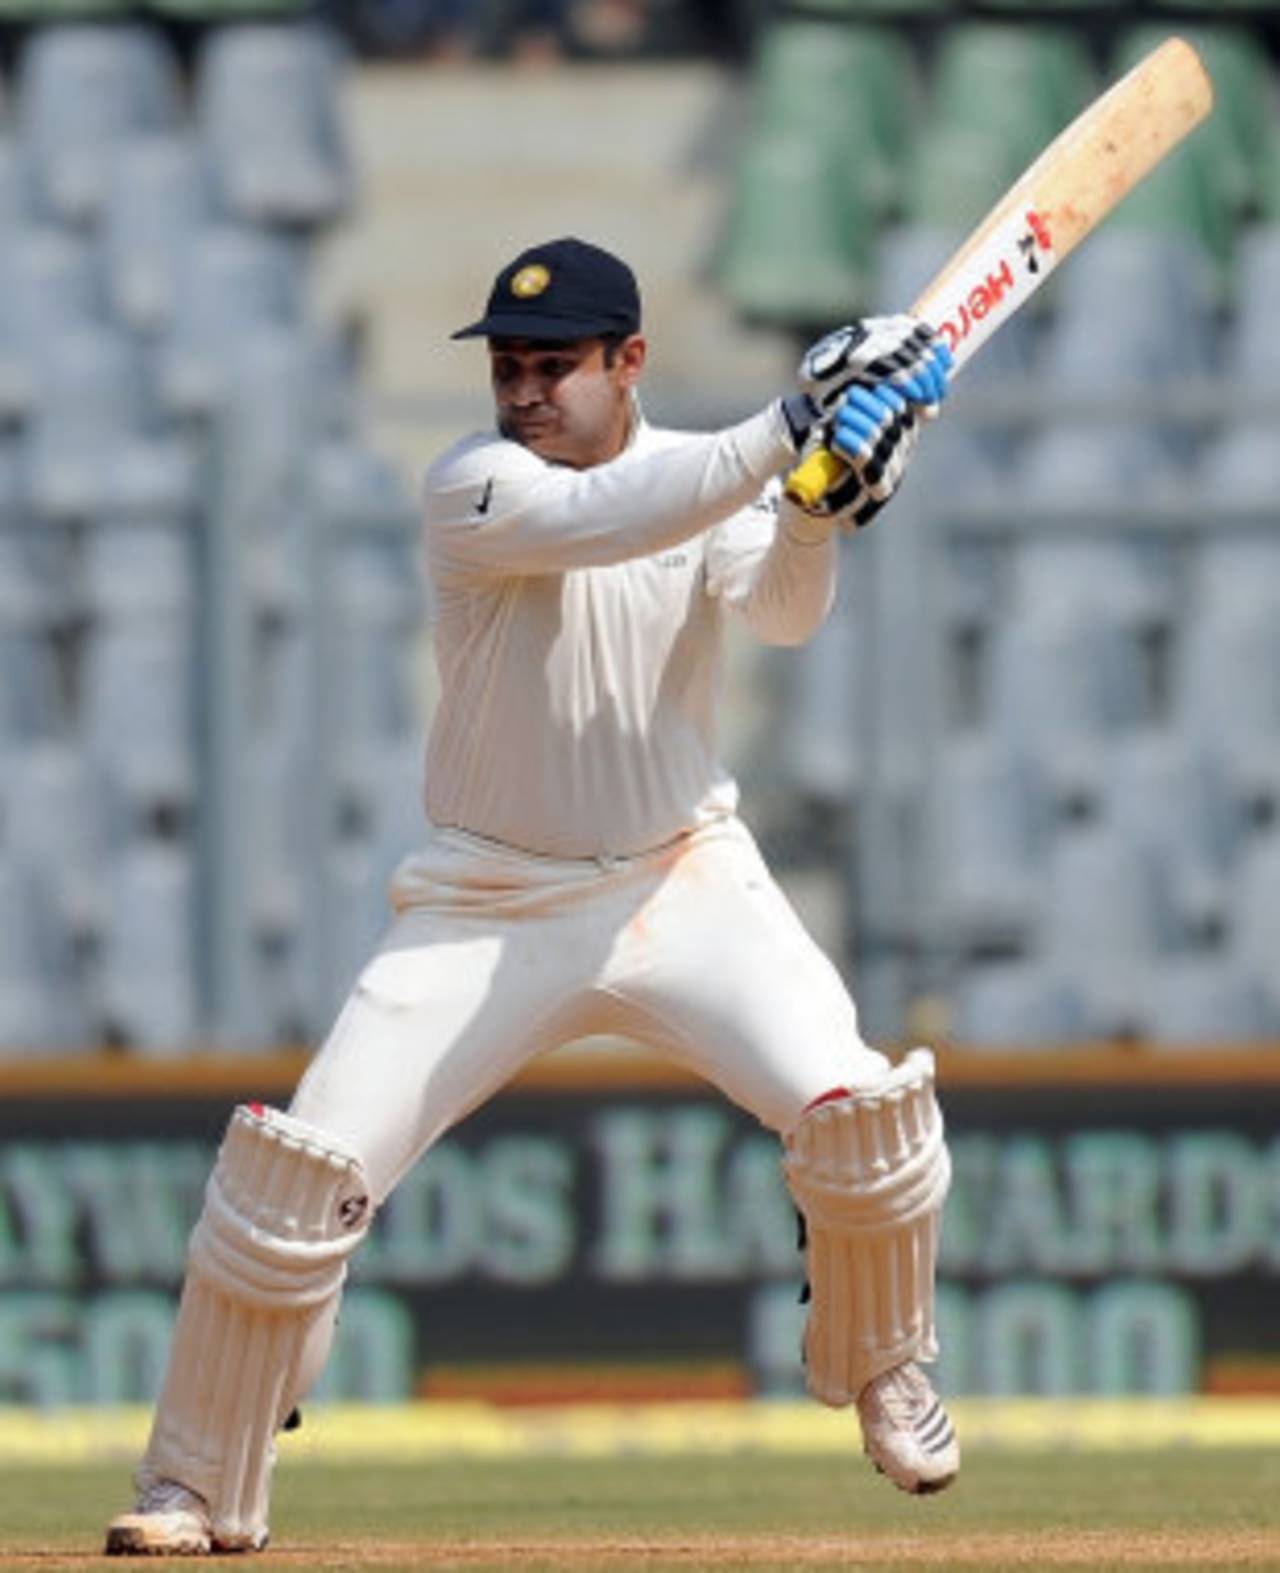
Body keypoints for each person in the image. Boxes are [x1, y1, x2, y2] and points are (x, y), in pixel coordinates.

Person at [105, 236, 957, 1557]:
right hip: (487, 897)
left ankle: (886, 1362)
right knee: (291, 1183)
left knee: (866, 1119)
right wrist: (793, 426)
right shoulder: (477, 486)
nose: (525, 391)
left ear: (629, 363)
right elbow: (608, 519)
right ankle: (195, 1483)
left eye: (555, 367)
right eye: (509, 366)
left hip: (684, 880)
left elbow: (781, 612)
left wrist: (814, 501)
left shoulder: (710, 482)